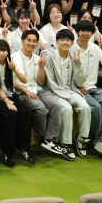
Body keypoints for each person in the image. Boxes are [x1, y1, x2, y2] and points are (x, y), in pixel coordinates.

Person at [38, 29, 91, 159]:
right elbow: (50, 83)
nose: (65, 42)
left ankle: (82, 138)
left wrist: (78, 65)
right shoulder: (48, 57)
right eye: (62, 40)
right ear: (57, 42)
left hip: (70, 90)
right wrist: (69, 98)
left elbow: (80, 81)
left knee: (85, 107)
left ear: (72, 43)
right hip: (52, 91)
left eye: (68, 40)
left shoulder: (74, 57)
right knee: (67, 109)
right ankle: (65, 144)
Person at [11, 29, 64, 159]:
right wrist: (26, 91)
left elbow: (40, 82)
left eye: (34, 41)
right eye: (29, 40)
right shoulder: (14, 57)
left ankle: (50, 139)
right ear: (22, 41)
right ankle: (43, 137)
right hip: (21, 91)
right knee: (40, 108)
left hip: (37, 89)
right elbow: (12, 81)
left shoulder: (38, 58)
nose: (32, 43)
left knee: (56, 105)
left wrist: (41, 68)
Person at [0, 39, 35, 167]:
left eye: (4, 50)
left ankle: (24, 147)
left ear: (8, 51)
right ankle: (8, 152)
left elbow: (23, 80)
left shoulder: (11, 62)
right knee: (10, 114)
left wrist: (14, 69)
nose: (1, 53)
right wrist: (6, 101)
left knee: (26, 112)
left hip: (9, 94)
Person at [74, 21, 102, 159]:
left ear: (92, 33)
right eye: (82, 31)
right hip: (76, 88)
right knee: (96, 108)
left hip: (93, 87)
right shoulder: (71, 48)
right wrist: (77, 86)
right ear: (77, 32)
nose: (85, 34)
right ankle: (97, 140)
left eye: (88, 31)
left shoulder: (95, 48)